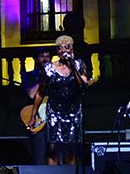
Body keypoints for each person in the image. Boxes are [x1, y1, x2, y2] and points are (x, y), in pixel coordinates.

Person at [36, 35, 92, 166]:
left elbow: (83, 85)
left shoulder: (78, 65)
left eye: (66, 47)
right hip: (55, 111)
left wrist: (73, 67)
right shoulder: (49, 68)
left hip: (73, 111)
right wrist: (33, 115)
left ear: (72, 49)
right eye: (60, 48)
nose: (63, 51)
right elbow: (40, 92)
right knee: (53, 149)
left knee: (71, 150)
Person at [21, 47, 53, 165]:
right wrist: (44, 78)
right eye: (42, 56)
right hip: (38, 120)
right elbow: (32, 94)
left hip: (53, 118)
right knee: (40, 155)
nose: (45, 59)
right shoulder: (29, 75)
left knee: (54, 155)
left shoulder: (55, 75)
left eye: (47, 56)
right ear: (35, 59)